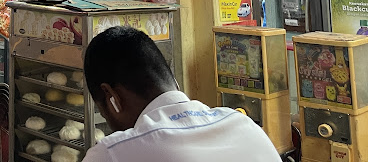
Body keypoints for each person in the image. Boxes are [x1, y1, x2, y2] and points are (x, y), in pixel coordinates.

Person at [83, 26, 282, 161]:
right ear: (174, 82)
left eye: (104, 114)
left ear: (112, 98)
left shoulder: (113, 153)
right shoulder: (245, 126)